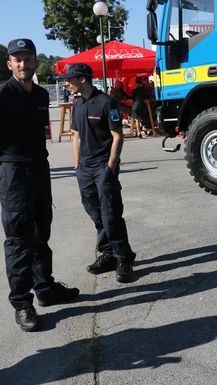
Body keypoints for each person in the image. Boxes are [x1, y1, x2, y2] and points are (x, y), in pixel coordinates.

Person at [0, 39, 79, 332]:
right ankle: (22, 304)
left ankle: (45, 288)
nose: (23, 64)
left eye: (28, 58)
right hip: (14, 175)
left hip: (40, 170)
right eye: (17, 59)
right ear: (9, 64)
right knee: (19, 242)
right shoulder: (0, 96)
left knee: (40, 233)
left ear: (36, 62)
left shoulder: (40, 96)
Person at [62, 63, 136, 283]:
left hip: (103, 168)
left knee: (110, 214)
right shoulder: (78, 105)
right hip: (84, 170)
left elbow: (117, 135)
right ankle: (107, 253)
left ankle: (124, 258)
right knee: (95, 214)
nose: (66, 83)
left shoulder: (106, 102)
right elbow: (76, 136)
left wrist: (110, 168)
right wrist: (77, 166)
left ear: (82, 79)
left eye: (69, 79)